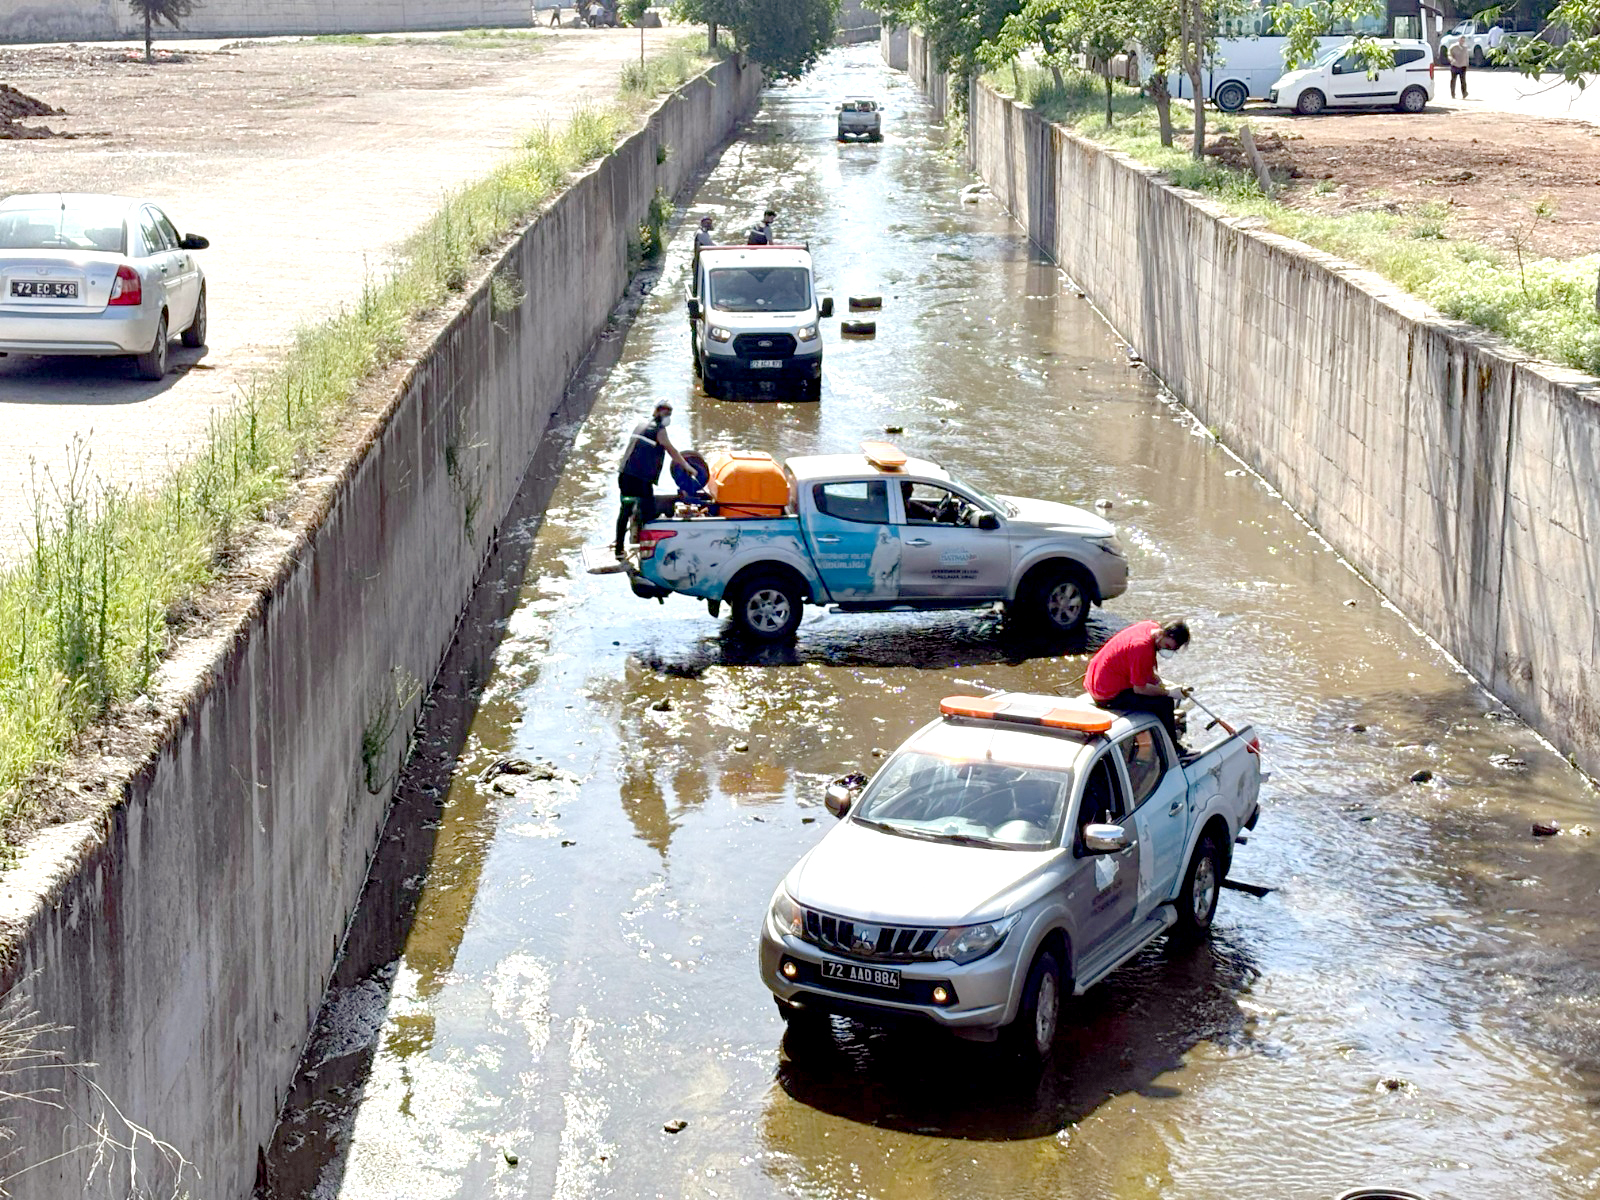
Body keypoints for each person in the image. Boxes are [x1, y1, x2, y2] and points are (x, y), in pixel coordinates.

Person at [1084, 618, 1191, 748]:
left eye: (1172, 649)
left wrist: (1163, 684)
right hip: (1106, 695)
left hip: (1096, 681)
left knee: (1158, 695)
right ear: (1163, 633)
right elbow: (1140, 689)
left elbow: (1146, 671)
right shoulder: (1141, 648)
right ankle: (1175, 749)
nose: (1166, 650)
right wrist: (1169, 692)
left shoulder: (1149, 627)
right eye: (1167, 647)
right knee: (1165, 703)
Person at [616, 402, 691, 558]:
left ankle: (619, 549)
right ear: (659, 412)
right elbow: (672, 451)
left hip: (624, 475)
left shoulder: (641, 425)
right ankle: (649, 551)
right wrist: (687, 466)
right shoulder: (659, 431)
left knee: (625, 510)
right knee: (648, 510)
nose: (668, 417)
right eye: (667, 414)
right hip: (640, 479)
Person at [1447, 35, 1470, 99]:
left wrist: (1467, 64)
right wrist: (1451, 59)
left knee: (1463, 80)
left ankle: (1464, 93)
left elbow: (1466, 56)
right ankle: (1453, 93)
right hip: (1455, 65)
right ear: (1458, 40)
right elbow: (1449, 54)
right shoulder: (1453, 46)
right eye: (1461, 40)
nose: (1462, 41)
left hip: (1463, 66)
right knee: (1453, 80)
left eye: (1463, 40)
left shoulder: (1465, 47)